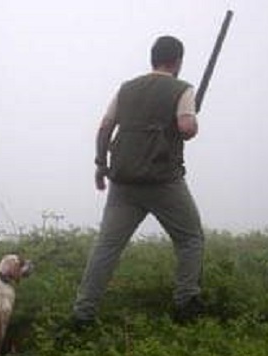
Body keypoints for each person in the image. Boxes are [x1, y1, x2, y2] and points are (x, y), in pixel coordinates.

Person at [73, 36, 205, 325]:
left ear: (153, 58)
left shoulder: (127, 88)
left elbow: (105, 128)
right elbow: (186, 128)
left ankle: (82, 315)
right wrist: (193, 122)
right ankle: (186, 304)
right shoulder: (182, 89)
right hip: (163, 182)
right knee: (190, 238)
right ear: (178, 62)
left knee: (106, 247)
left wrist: (100, 165)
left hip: (123, 182)